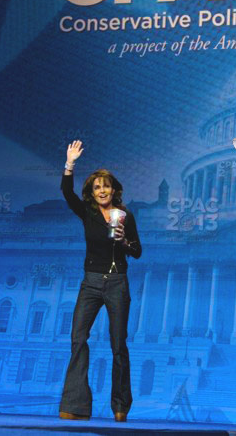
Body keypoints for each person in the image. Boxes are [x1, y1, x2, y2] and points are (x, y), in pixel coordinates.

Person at [58, 140, 142, 422]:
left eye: (105, 186)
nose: (102, 190)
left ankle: (120, 405)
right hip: (91, 282)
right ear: (91, 193)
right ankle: (76, 404)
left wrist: (125, 240)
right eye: (96, 187)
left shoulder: (126, 215)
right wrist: (70, 164)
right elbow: (67, 192)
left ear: (113, 189)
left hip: (118, 282)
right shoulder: (88, 213)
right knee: (78, 339)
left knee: (118, 345)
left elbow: (138, 251)